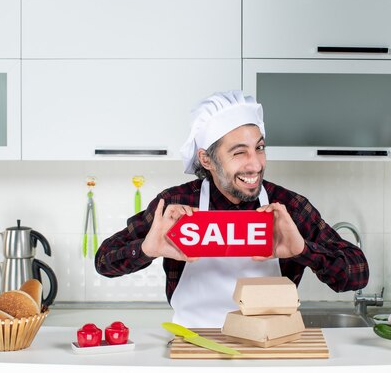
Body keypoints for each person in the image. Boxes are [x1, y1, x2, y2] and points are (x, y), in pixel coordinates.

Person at [95, 90, 369, 327]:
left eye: (259, 148)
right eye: (239, 152)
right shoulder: (177, 206)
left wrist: (303, 250)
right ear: (206, 159)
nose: (255, 164)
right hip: (193, 348)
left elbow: (357, 273)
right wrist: (146, 249)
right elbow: (104, 261)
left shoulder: (288, 208)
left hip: (269, 348)